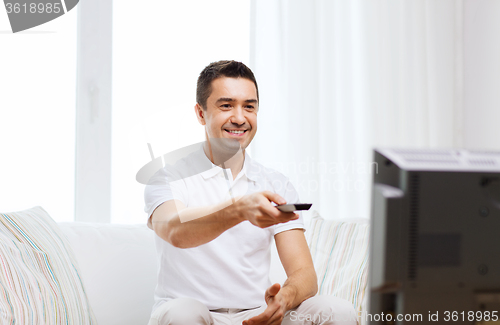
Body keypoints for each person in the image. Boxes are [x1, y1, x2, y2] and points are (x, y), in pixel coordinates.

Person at [144, 60, 357, 325]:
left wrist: (284, 300)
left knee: (338, 311)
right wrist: (240, 209)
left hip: (255, 315)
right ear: (200, 113)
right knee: (183, 314)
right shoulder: (167, 177)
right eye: (226, 105)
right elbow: (175, 230)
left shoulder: (275, 183)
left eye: (249, 106)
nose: (240, 117)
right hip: (193, 315)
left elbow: (304, 273)